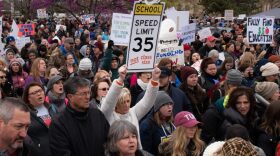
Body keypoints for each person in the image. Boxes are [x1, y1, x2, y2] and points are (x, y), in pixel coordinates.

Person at [101, 65, 160, 147]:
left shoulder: (133, 112)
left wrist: (154, 79)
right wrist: (120, 79)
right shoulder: (108, 116)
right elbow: (108, 103)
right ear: (116, 104)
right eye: (122, 102)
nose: (126, 104)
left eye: (128, 101)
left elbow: (148, 101)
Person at [49, 77, 110, 156]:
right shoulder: (58, 123)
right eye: (83, 94)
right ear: (70, 97)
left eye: (88, 92)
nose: (88, 97)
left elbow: (109, 143)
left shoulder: (97, 115)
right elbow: (61, 152)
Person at [22, 83, 58, 156]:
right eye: (34, 93)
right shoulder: (25, 113)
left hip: (57, 148)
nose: (39, 94)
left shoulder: (52, 107)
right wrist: (34, 147)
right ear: (28, 98)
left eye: (40, 91)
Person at [140, 91, 175, 155]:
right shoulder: (147, 125)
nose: (169, 107)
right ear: (157, 107)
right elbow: (146, 152)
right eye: (165, 104)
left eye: (170, 104)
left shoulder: (173, 122)